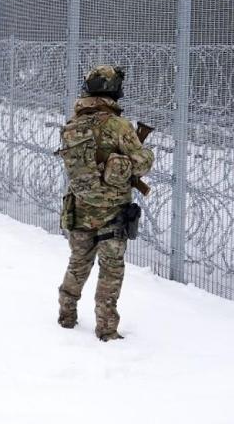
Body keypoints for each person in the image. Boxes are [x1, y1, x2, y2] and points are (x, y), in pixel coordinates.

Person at [56, 65, 154, 341]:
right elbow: (142, 164)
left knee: (78, 262)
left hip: (79, 207)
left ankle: (66, 313)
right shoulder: (119, 126)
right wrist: (143, 152)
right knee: (111, 269)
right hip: (113, 211)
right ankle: (107, 328)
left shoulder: (73, 124)